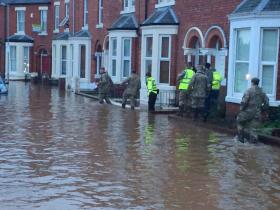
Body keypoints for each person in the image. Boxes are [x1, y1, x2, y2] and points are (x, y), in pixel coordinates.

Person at [236, 78, 269, 143]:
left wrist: (241, 110)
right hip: (257, 113)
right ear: (258, 83)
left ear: (252, 82)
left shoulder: (248, 90)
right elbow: (267, 103)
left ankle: (240, 139)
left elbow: (244, 102)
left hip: (247, 112)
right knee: (254, 129)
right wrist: (263, 110)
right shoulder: (262, 92)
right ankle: (253, 144)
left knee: (239, 122)